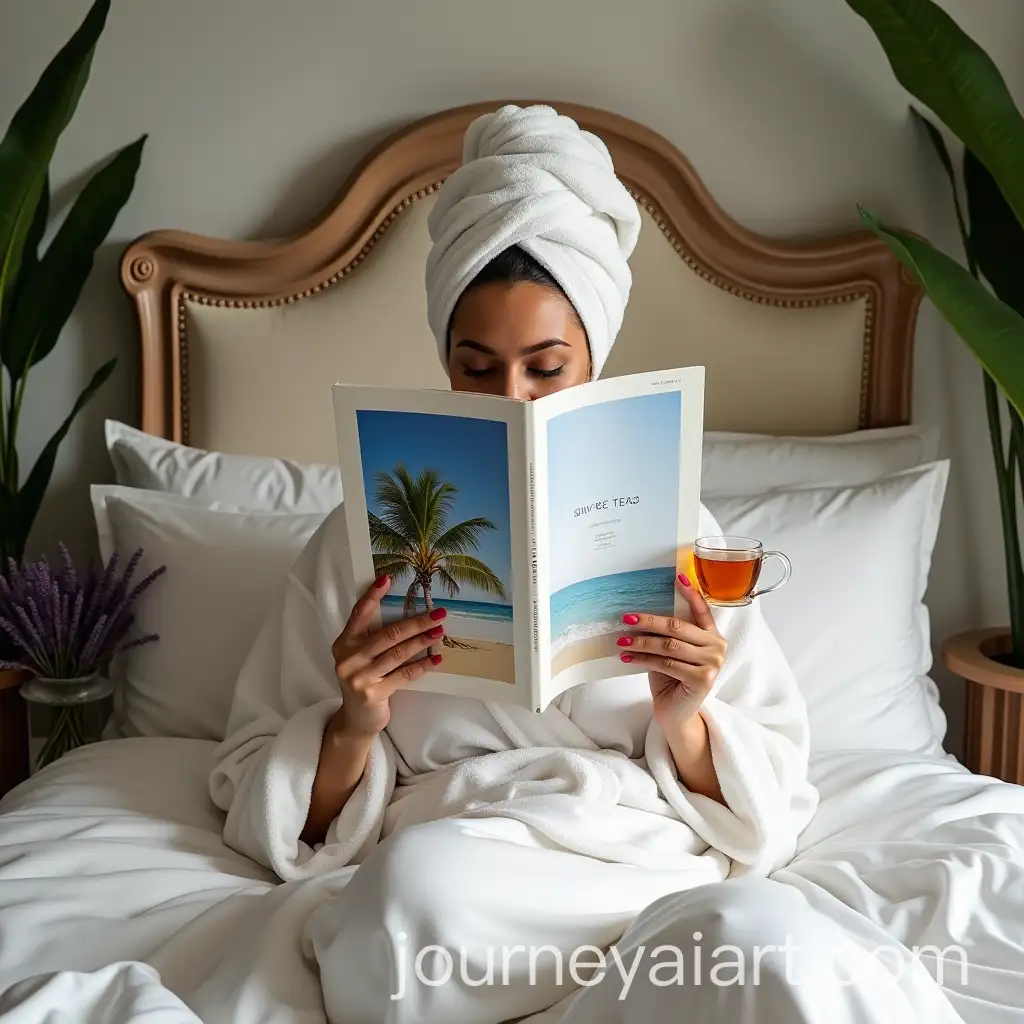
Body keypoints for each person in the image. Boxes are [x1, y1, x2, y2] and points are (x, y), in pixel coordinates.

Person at [209, 105, 954, 1024]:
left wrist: (685, 717)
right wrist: (354, 724)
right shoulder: (368, 532)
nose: (512, 398)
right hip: (461, 870)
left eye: (545, 367)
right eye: (477, 367)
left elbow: (771, 797)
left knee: (757, 938)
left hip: (645, 858)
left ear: (593, 359)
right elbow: (264, 798)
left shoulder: (679, 527)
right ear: (445, 360)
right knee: (409, 902)